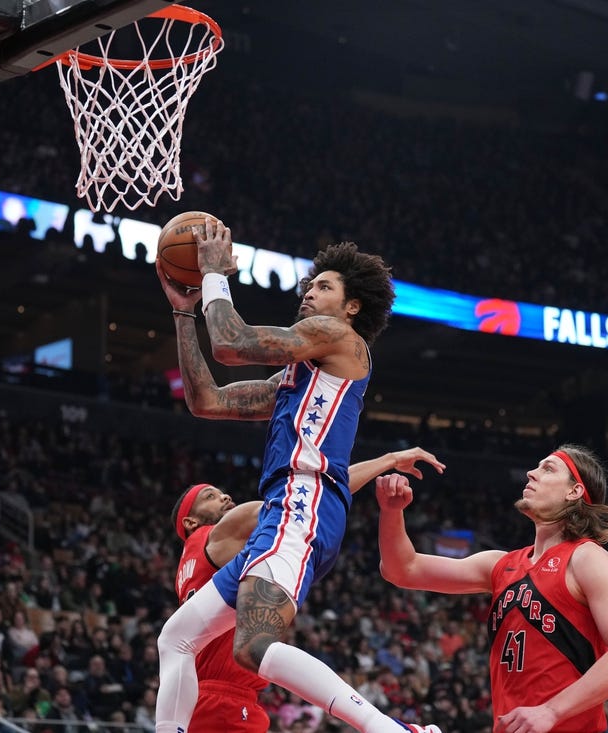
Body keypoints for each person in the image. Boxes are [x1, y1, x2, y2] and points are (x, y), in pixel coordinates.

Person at [155, 218, 440, 733]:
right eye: (309, 284)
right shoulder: (298, 377)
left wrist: (215, 275)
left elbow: (231, 343)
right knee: (176, 637)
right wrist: (182, 311)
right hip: (292, 506)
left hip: (300, 504)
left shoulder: (339, 336)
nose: (309, 292)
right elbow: (206, 400)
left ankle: (392, 731)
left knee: (254, 646)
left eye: (324, 286)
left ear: (352, 306)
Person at [376, 444, 608, 733]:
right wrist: (392, 512)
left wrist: (551, 711)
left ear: (574, 492)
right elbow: (401, 570)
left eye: (548, 468)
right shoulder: (500, 565)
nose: (531, 473)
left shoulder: (587, 557)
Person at [171, 447, 444, 732]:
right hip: (222, 698)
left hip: (209, 696)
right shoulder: (217, 535)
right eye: (210, 496)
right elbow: (310, 498)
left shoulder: (187, 566)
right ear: (190, 522)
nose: (224, 496)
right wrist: (388, 460)